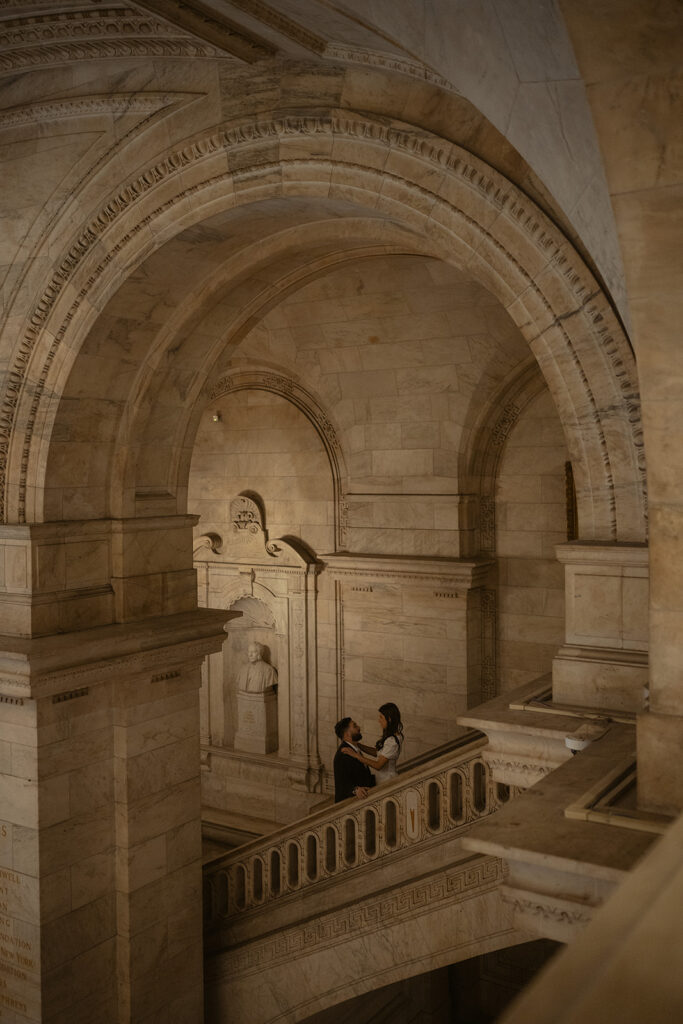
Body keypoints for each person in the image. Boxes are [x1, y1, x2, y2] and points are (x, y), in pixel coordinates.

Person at [341, 702, 403, 783]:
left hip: (386, 780)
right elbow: (378, 753)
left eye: (381, 717)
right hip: (382, 779)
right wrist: (358, 745)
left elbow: (378, 765)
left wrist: (355, 755)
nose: (379, 721)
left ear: (389, 719)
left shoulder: (392, 741)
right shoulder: (394, 735)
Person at [333, 717, 376, 802]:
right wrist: (355, 790)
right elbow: (342, 783)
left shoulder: (354, 748)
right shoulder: (343, 754)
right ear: (347, 734)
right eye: (355, 726)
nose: (359, 727)